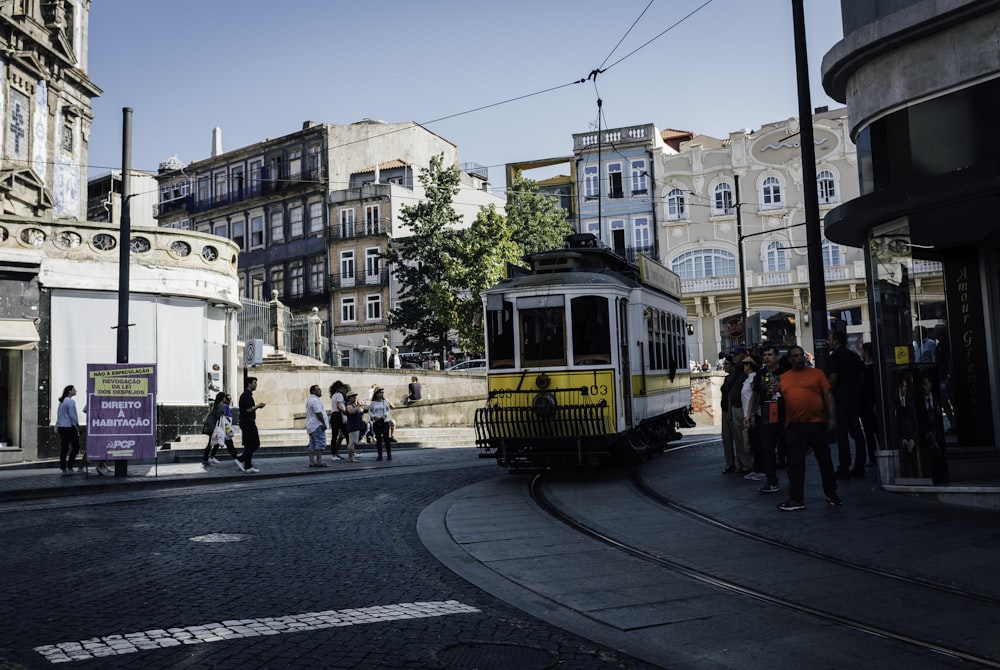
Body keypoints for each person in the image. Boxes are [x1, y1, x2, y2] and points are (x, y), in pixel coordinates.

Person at [777, 345, 840, 511]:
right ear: (789, 359)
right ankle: (796, 498)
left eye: (801, 355)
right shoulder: (783, 378)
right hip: (795, 426)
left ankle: (832, 492)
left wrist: (832, 418)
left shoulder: (817, 374)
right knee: (795, 464)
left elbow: (828, 396)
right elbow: (781, 401)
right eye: (795, 356)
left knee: (825, 460)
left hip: (816, 423)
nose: (799, 358)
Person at [746, 344, 790, 495]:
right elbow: (755, 395)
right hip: (766, 416)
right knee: (767, 449)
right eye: (765, 355)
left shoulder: (785, 372)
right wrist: (750, 414)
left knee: (789, 447)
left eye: (770, 355)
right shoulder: (761, 373)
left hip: (784, 415)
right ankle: (771, 481)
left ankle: (793, 478)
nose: (767, 358)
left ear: (777, 356)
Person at [826, 331, 866, 478]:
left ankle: (844, 466)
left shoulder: (834, 357)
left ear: (836, 341)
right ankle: (860, 464)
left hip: (840, 400)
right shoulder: (854, 356)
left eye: (830, 339)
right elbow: (861, 378)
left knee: (842, 435)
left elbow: (833, 378)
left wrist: (828, 392)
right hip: (854, 398)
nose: (829, 342)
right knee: (857, 433)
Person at [740, 355, 765, 481]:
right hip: (749, 415)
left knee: (756, 443)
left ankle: (760, 469)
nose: (744, 366)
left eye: (746, 364)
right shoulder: (748, 378)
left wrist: (752, 414)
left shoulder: (754, 378)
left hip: (754, 415)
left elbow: (755, 397)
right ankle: (756, 469)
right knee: (753, 443)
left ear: (750, 366)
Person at [858, 343, 880, 467]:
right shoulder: (862, 366)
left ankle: (878, 454)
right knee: (868, 431)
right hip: (864, 402)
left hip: (871, 401)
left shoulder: (874, 367)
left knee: (876, 430)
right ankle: (872, 456)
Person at [238, 377, 265, 473]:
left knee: (248, 444)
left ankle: (248, 466)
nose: (256, 384)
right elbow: (248, 409)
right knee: (255, 443)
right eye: (254, 382)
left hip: (246, 421)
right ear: (249, 384)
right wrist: (258, 406)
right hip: (248, 422)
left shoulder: (246, 395)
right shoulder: (246, 395)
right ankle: (240, 459)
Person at [56, 385, 82, 475]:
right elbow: (72, 415)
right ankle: (70, 466)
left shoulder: (62, 402)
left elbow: (59, 415)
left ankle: (63, 467)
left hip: (61, 427)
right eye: (74, 389)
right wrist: (77, 424)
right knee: (75, 447)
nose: (76, 391)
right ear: (69, 391)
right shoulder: (70, 402)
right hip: (69, 427)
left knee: (64, 447)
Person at [719, 357, 738, 474]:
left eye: (727, 364)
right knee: (726, 437)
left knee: (734, 437)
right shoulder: (728, 378)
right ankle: (730, 463)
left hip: (730, 410)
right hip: (725, 409)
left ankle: (734, 463)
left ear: (732, 365)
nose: (724, 366)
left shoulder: (734, 377)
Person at [209, 393, 241, 464]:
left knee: (222, 442)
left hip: (223, 426)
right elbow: (221, 416)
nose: (229, 400)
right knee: (228, 442)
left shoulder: (222, 406)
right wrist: (226, 418)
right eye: (227, 398)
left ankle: (212, 457)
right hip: (223, 427)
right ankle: (236, 457)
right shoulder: (223, 406)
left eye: (230, 399)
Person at [201, 391, 227, 467]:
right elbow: (219, 416)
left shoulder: (217, 405)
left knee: (214, 442)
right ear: (223, 398)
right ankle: (207, 458)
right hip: (212, 426)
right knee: (212, 442)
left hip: (210, 425)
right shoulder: (220, 405)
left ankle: (209, 457)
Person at [305, 384, 329, 467]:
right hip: (317, 425)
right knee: (320, 443)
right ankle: (319, 461)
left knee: (312, 444)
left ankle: (311, 462)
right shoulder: (315, 401)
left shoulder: (310, 400)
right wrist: (323, 422)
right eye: (318, 389)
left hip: (311, 426)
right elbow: (318, 412)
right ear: (313, 391)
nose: (320, 391)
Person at [368, 387, 393, 461]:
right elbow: (370, 411)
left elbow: (388, 410)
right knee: (378, 440)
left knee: (386, 439)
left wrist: (384, 415)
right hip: (376, 421)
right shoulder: (373, 403)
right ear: (376, 394)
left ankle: (389, 455)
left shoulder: (385, 402)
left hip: (384, 421)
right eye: (380, 392)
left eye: (382, 393)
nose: (382, 394)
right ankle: (380, 455)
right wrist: (374, 417)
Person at [328, 380, 348, 460]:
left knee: (334, 436)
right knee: (346, 433)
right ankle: (351, 451)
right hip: (338, 415)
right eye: (342, 388)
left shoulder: (333, 396)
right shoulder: (339, 395)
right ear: (339, 388)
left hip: (333, 415)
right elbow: (339, 405)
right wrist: (345, 412)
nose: (343, 390)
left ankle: (334, 454)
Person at [344, 390, 364, 462]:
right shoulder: (348, 406)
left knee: (354, 442)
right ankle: (350, 457)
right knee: (352, 442)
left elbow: (360, 410)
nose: (355, 398)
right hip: (352, 426)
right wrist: (358, 406)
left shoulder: (353, 405)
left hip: (356, 425)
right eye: (353, 397)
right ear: (349, 398)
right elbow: (352, 411)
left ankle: (351, 456)